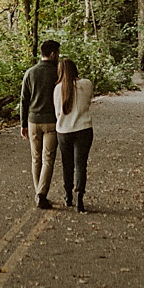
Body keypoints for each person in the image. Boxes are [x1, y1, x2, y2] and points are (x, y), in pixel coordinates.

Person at [18, 39, 61, 209]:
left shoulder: (30, 72)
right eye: (57, 53)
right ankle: (41, 194)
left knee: (36, 159)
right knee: (48, 158)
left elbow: (24, 100)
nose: (58, 56)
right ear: (52, 54)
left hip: (33, 121)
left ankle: (39, 192)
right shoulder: (58, 72)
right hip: (51, 121)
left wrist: (23, 124)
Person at [54, 56, 95, 212]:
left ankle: (67, 195)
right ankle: (79, 197)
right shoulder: (86, 84)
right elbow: (88, 102)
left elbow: (58, 112)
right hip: (84, 129)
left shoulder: (57, 89)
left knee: (67, 164)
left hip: (64, 131)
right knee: (81, 165)